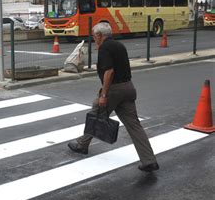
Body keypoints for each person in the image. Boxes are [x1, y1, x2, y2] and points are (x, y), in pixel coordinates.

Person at [67, 22, 159, 172]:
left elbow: (109, 72)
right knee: (134, 125)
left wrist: (104, 94)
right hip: (128, 88)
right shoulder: (119, 45)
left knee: (96, 113)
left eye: (94, 35)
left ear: (99, 35)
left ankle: (82, 145)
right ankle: (149, 160)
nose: (93, 38)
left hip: (114, 90)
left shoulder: (104, 48)